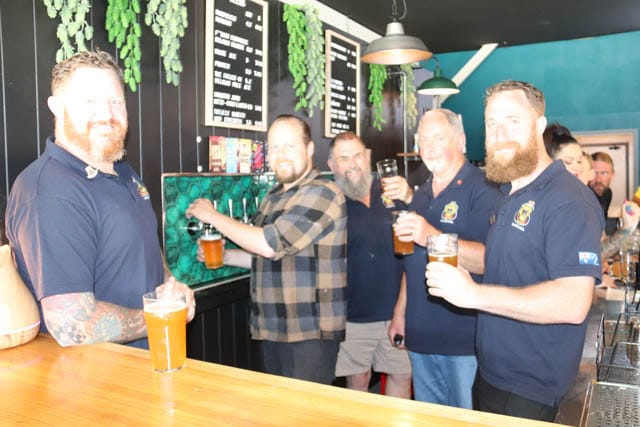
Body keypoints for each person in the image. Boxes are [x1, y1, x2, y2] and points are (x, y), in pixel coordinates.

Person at [425, 80, 603, 422]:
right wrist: (441, 245)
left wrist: (474, 295)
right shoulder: (509, 193)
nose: (499, 134)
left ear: (538, 125)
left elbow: (573, 303)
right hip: (491, 374)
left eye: (512, 121)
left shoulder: (569, 199)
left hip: (530, 390)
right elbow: (498, 261)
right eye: (492, 123)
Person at [5, 50, 195, 348]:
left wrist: (170, 288)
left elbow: (143, 246)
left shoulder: (123, 172)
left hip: (152, 361)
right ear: (57, 107)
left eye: (115, 101)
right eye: (89, 101)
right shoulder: (49, 192)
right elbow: (72, 324)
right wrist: (165, 314)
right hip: (98, 376)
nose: (106, 114)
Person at [186, 115, 347, 385]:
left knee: (305, 410)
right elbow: (263, 256)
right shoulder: (273, 196)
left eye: (289, 146)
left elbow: (269, 244)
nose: (280, 155)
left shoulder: (323, 192)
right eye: (274, 147)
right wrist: (226, 256)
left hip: (309, 333)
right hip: (272, 330)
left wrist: (213, 216)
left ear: (309, 149)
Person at [384, 109, 499, 409]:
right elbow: (412, 264)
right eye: (424, 140)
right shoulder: (421, 194)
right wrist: (400, 313)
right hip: (420, 336)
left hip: (464, 341)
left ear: (461, 141)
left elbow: (488, 261)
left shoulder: (484, 189)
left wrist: (431, 235)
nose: (430, 147)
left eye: (439, 138)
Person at [326, 131, 411, 398]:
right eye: (344, 159)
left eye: (357, 156)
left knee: (402, 375)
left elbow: (418, 244)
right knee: (358, 380)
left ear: (368, 157)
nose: (353, 164)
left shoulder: (394, 191)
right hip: (352, 316)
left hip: (397, 313)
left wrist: (411, 196)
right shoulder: (329, 203)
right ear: (332, 165)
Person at [589, 151, 615, 221]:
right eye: (595, 173)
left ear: (612, 175)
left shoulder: (607, 193)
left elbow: (601, 223)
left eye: (603, 173)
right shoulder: (581, 197)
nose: (598, 180)